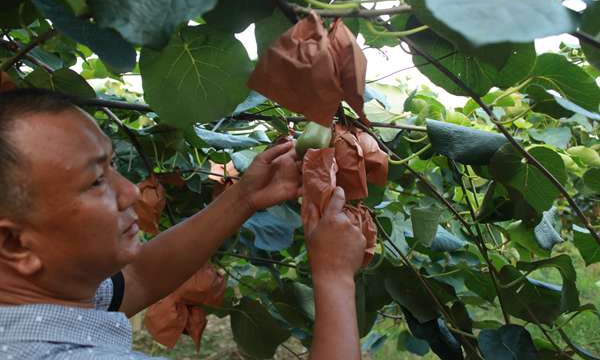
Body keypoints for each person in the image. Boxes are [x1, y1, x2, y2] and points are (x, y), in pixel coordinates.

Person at [0, 88, 367, 360]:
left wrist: (243, 198)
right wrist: (334, 275)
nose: (129, 192)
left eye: (112, 165)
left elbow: (139, 278)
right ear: (14, 243)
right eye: (96, 180)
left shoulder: (35, 301)